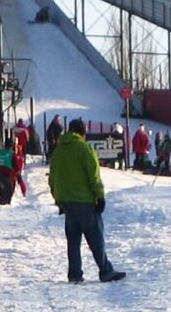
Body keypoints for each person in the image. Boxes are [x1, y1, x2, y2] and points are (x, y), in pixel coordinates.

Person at [49, 119, 124, 284]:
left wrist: (58, 199)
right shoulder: (84, 149)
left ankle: (75, 274)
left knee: (73, 240)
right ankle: (106, 271)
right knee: (95, 236)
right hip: (84, 201)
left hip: (67, 202)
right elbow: (93, 175)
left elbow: (52, 178)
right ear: (82, 132)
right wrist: (100, 196)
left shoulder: (58, 151)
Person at [0, 140, 17, 205]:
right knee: (9, 191)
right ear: (12, 146)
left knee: (2, 190)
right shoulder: (12, 153)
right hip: (5, 176)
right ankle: (5, 206)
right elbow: (16, 165)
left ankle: (0, 206)